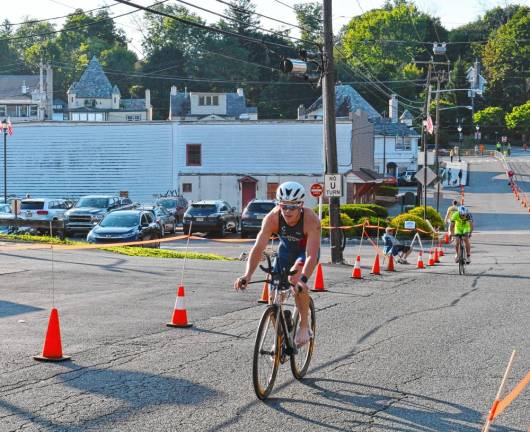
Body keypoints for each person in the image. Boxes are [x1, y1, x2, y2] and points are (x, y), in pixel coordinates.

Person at [234, 181, 321, 347]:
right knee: (273, 297)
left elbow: (311, 255)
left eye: (292, 207)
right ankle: (282, 337)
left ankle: (304, 326)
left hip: (305, 253)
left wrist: (303, 278)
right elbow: (258, 247)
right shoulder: (272, 218)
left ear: (301, 205)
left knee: (296, 281)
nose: (287, 211)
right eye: (284, 206)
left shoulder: (311, 219)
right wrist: (247, 275)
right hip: (286, 252)